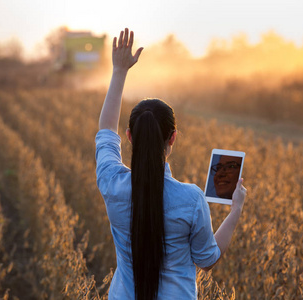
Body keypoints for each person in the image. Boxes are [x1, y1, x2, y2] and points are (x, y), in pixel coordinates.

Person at [95, 28, 247, 300]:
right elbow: (208, 260)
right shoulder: (191, 199)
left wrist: (119, 72)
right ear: (173, 138)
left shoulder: (112, 183)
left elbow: (106, 132)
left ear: (129, 137)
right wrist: (235, 210)